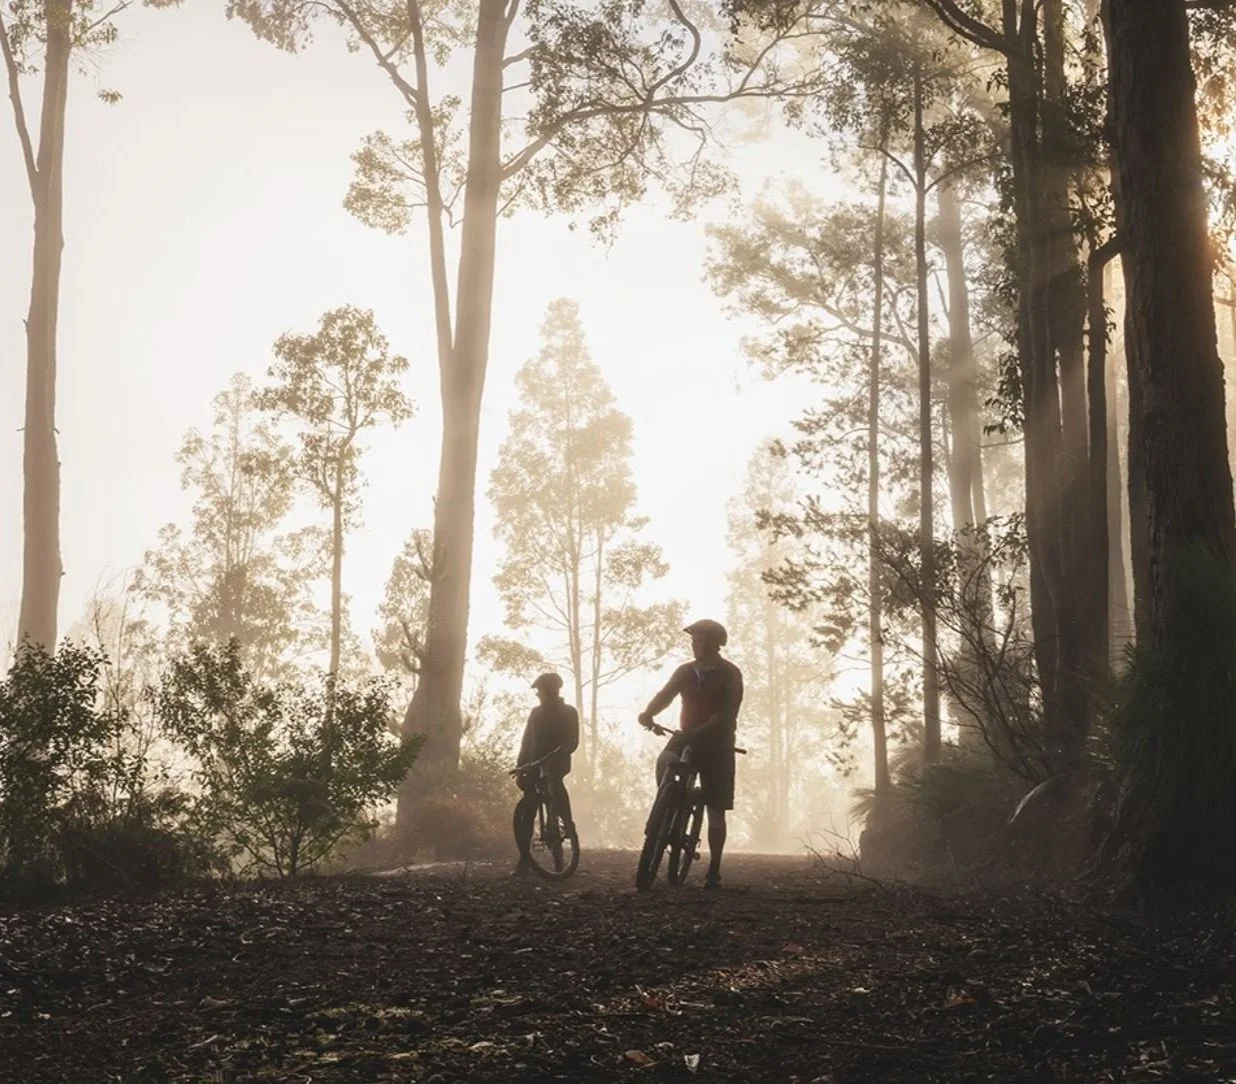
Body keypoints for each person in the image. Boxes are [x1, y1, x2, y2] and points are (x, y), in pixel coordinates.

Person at [638, 619, 743, 889]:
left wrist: (700, 732)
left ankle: (714, 869)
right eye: (693, 640)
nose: (694, 644)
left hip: (717, 745)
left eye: (698, 640)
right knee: (665, 760)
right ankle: (667, 805)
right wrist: (649, 713)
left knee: (716, 809)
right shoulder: (685, 671)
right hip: (686, 738)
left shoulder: (730, 674)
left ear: (712, 643)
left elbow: (726, 713)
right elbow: (666, 695)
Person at [512, 672, 579, 876]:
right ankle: (525, 860)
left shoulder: (568, 712)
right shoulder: (535, 713)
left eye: (540, 691)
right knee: (528, 811)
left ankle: (565, 824)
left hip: (557, 762)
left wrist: (556, 754)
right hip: (533, 764)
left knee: (555, 790)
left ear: (551, 691)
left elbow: (572, 742)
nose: (538, 695)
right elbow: (527, 742)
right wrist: (521, 766)